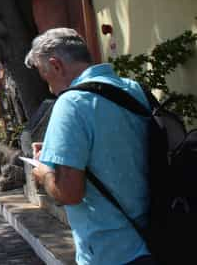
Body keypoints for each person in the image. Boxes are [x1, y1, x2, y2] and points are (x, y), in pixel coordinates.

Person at [25, 27, 153, 265]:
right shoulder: (133, 89)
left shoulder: (71, 103)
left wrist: (44, 172)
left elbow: (70, 193)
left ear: (56, 65)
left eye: (45, 76)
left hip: (111, 251)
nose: (49, 88)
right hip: (155, 236)